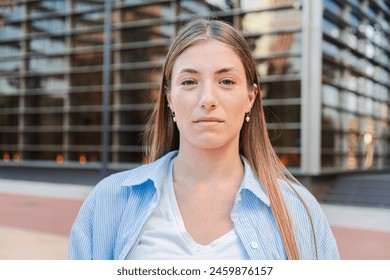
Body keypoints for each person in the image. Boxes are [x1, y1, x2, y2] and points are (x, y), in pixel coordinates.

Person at [68, 19, 339, 260]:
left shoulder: (299, 212)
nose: (207, 99)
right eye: (189, 82)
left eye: (226, 81)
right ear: (170, 99)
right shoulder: (108, 201)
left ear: (250, 97)